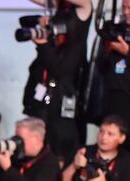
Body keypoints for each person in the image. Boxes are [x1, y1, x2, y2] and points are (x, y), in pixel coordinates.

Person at [22, 0, 92, 164]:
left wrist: (43, 45)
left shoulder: (82, 12)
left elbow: (61, 71)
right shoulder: (57, 8)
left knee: (61, 153)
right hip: (42, 102)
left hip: (63, 104)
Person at [97, 0, 130, 147]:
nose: (126, 12)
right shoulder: (117, 31)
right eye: (124, 7)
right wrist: (107, 50)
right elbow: (102, 68)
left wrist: (127, 52)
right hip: (113, 100)